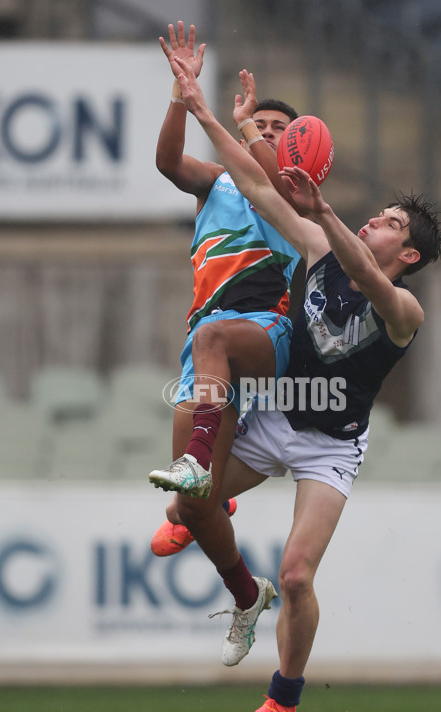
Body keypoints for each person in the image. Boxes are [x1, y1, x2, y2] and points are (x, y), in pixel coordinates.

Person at [153, 53, 441, 712]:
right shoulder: (318, 244)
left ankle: (282, 701)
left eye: (389, 224)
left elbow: (369, 286)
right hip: (280, 414)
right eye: (375, 216)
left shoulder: (404, 306)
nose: (375, 222)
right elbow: (255, 184)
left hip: (330, 443)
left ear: (405, 254)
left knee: (296, 573)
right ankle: (215, 516)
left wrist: (323, 214)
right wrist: (201, 111)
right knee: (188, 508)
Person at [150, 22, 303, 668]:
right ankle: (247, 595)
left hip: (268, 331)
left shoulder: (292, 193)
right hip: (207, 344)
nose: (265, 133)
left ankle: (205, 465)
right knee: (192, 502)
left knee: (215, 339)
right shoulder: (216, 185)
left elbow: (266, 172)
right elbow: (165, 164)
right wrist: (181, 98)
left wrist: (243, 129)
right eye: (260, 124)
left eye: (277, 130)